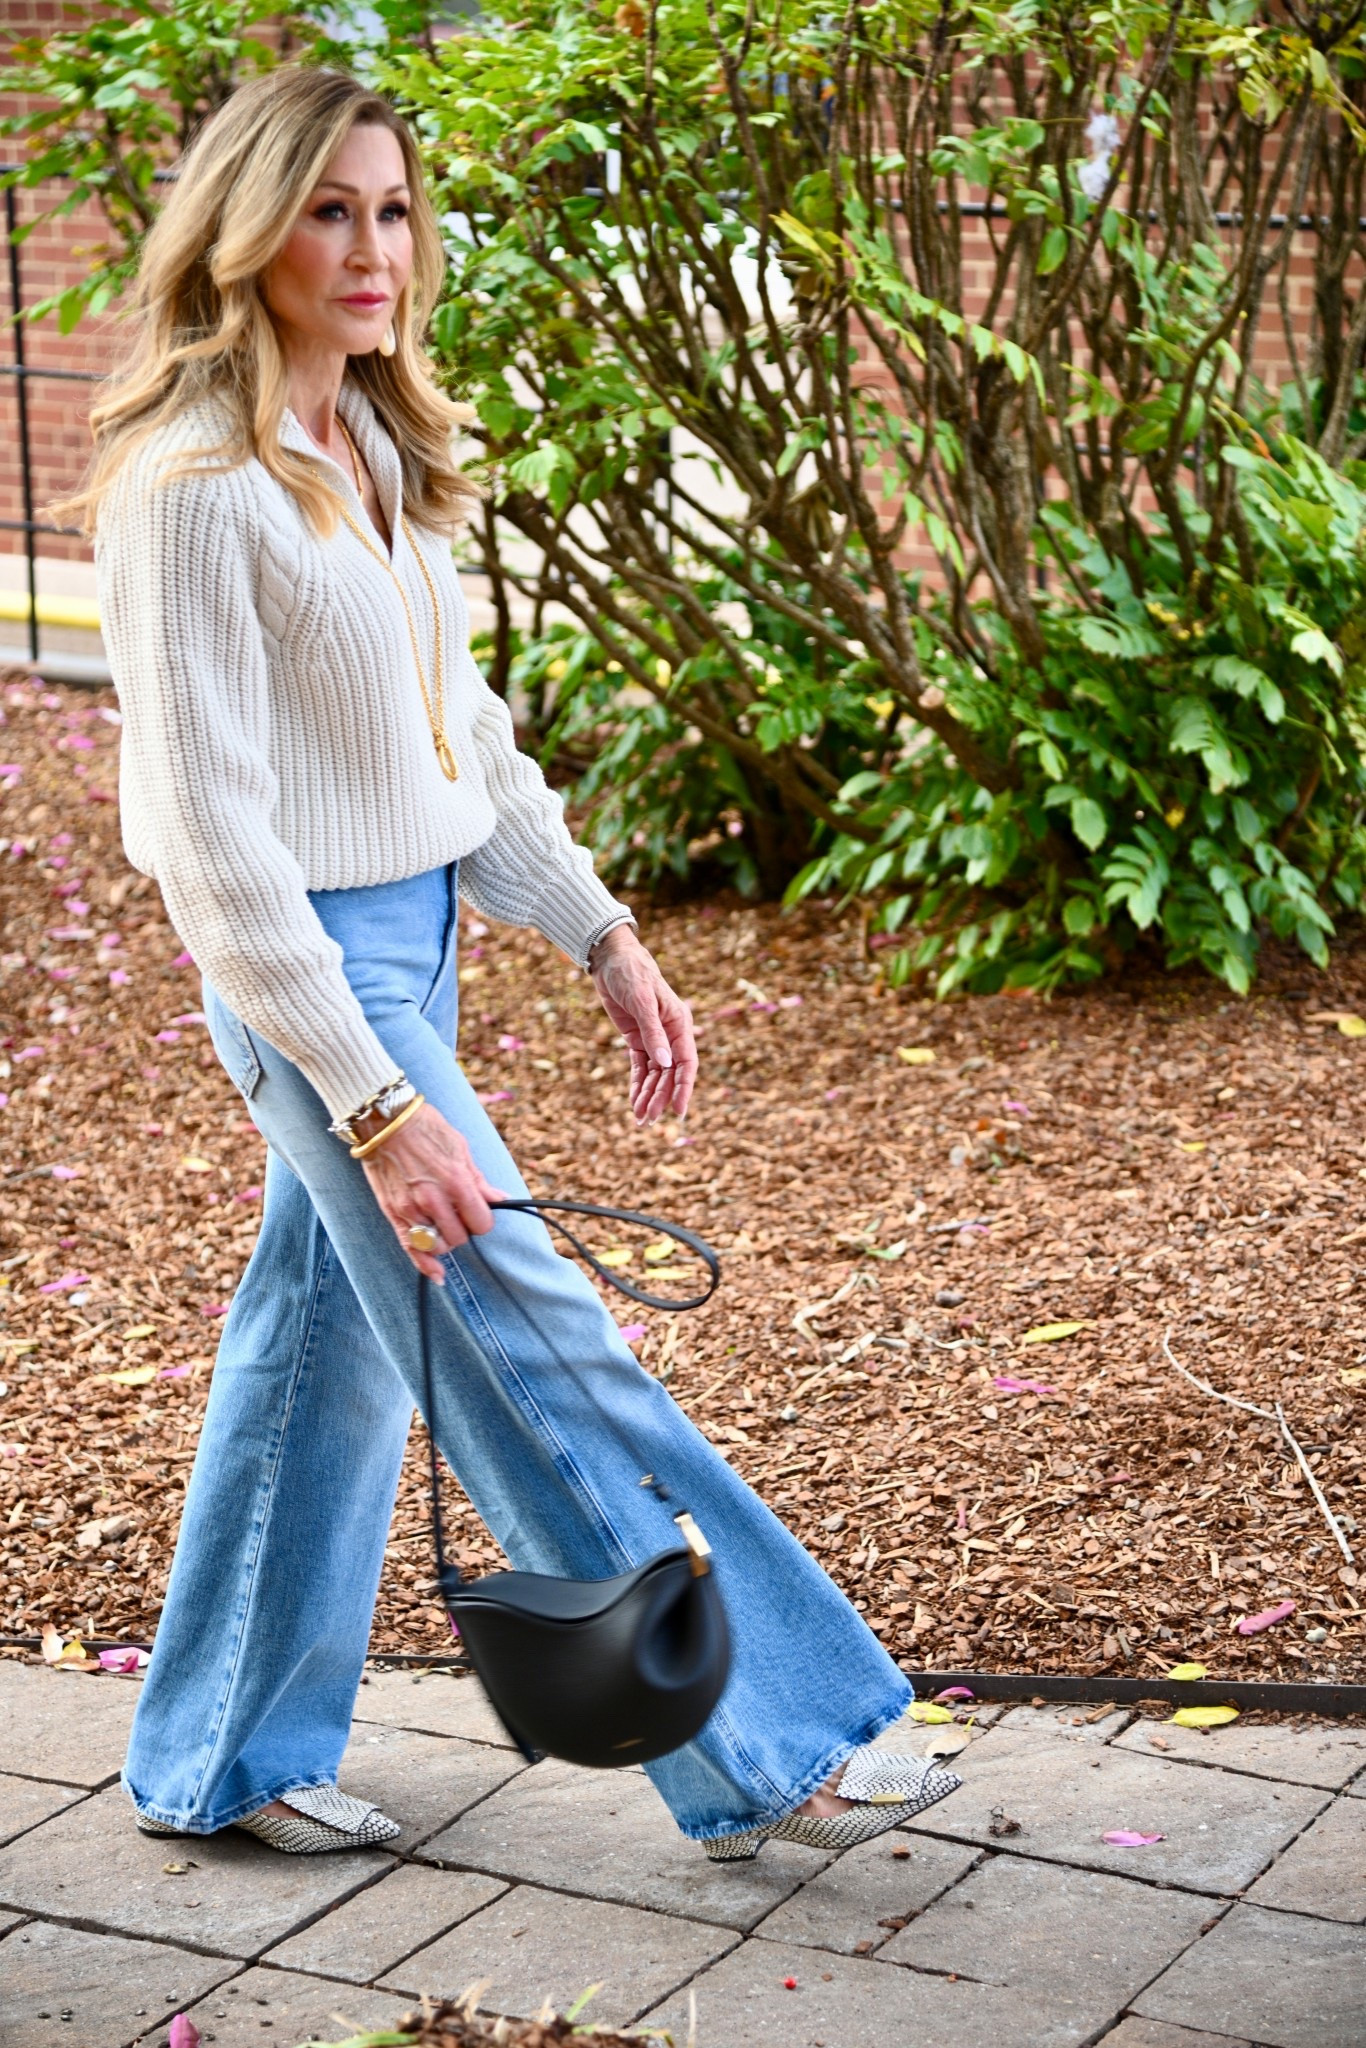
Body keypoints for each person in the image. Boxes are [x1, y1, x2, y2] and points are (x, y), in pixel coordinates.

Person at [72, 63, 961, 1858]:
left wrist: (597, 927)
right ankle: (769, 1728)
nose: (371, 246)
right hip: (316, 983)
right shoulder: (186, 489)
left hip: (407, 950)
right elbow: (217, 851)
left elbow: (452, 738)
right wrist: (379, 1095)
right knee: (543, 1347)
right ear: (247, 234)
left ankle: (218, 1761)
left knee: (319, 1360)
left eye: (392, 208)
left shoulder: (373, 453)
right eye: (327, 208)